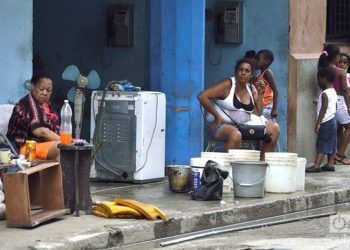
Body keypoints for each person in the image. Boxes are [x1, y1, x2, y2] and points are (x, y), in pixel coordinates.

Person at [197, 57, 280, 160]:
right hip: (220, 125)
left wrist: (261, 94)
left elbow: (256, 115)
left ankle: (263, 164)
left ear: (251, 75)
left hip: (242, 125)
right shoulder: (227, 84)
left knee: (275, 128)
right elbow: (202, 96)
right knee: (235, 134)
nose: (243, 73)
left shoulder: (252, 89)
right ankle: (226, 171)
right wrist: (217, 117)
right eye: (241, 70)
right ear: (236, 72)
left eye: (247, 71)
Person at [7, 71, 60, 161]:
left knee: (69, 148)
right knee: (60, 148)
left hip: (42, 145)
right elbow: (41, 132)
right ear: (33, 87)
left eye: (48, 90)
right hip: (24, 148)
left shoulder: (49, 107)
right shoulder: (25, 105)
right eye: (41, 88)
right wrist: (66, 142)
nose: (45, 93)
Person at [318, 45, 350, 164]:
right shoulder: (340, 71)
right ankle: (340, 155)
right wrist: (349, 106)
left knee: (336, 130)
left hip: (328, 102)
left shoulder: (323, 70)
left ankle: (331, 160)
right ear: (336, 57)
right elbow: (346, 90)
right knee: (349, 127)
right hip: (340, 101)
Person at [306, 67, 337, 172]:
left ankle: (317, 165)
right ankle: (330, 164)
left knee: (322, 143)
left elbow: (323, 109)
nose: (318, 82)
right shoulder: (333, 91)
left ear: (325, 78)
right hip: (333, 120)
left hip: (325, 121)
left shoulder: (324, 94)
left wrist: (318, 123)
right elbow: (332, 106)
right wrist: (318, 102)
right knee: (332, 143)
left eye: (319, 79)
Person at [255, 50, 278, 121]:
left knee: (267, 126)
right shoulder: (260, 74)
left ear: (267, 62)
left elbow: (275, 91)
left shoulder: (267, 73)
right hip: (262, 105)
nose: (256, 61)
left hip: (267, 106)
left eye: (258, 59)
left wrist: (274, 109)